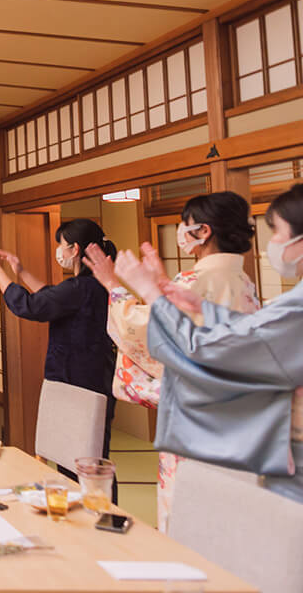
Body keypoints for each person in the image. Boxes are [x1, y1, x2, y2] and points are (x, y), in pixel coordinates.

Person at [109, 182, 303, 505]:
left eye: (279, 233)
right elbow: (247, 334)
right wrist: (203, 308)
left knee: (195, 515)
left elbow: (199, 348)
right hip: (248, 428)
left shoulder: (196, 279)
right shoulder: (244, 279)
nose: (274, 242)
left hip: (221, 424)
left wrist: (131, 290)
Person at [85, 191, 260, 530]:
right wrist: (161, 284)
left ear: (203, 231)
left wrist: (112, 285)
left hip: (196, 419)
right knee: (231, 521)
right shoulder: (242, 281)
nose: (181, 230)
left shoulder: (197, 280)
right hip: (239, 422)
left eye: (185, 223)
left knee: (188, 515)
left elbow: (144, 330)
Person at [0, 218, 118, 462]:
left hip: (76, 384)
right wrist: (20, 272)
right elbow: (51, 297)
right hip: (94, 380)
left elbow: (29, 306)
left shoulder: (79, 287)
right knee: (89, 459)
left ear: (75, 249)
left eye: (62, 245)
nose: (59, 251)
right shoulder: (93, 285)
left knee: (80, 462)